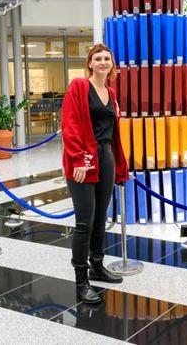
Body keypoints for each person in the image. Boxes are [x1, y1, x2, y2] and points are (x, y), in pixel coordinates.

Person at [61, 43, 129, 305]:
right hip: (84, 158)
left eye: (107, 59)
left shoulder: (110, 93)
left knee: (100, 217)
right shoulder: (79, 86)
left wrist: (118, 165)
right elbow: (70, 124)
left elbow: (112, 133)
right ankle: (81, 281)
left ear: (112, 64)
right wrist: (78, 159)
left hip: (106, 157)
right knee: (84, 222)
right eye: (98, 58)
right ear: (90, 63)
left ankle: (97, 267)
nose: (103, 62)